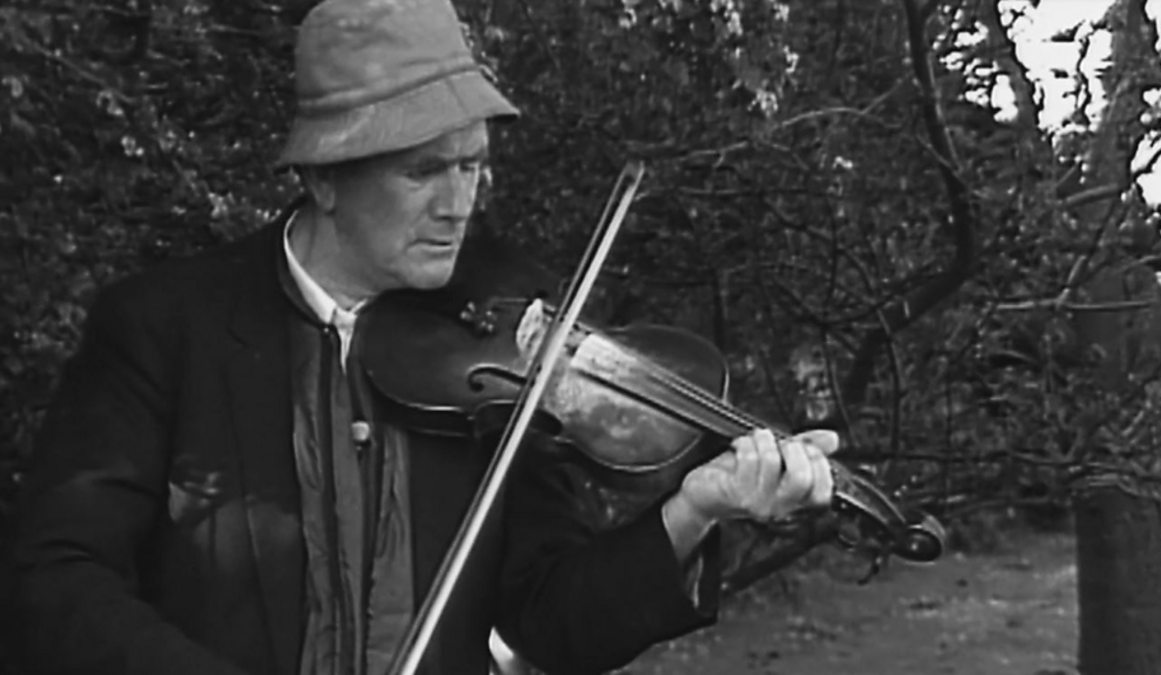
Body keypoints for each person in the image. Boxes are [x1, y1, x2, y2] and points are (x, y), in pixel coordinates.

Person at [9, 0, 840, 674]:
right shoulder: (166, 329)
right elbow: (54, 582)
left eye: (471, 164)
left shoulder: (501, 347)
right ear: (324, 178)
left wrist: (692, 510)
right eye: (424, 170)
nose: (458, 203)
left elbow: (554, 623)